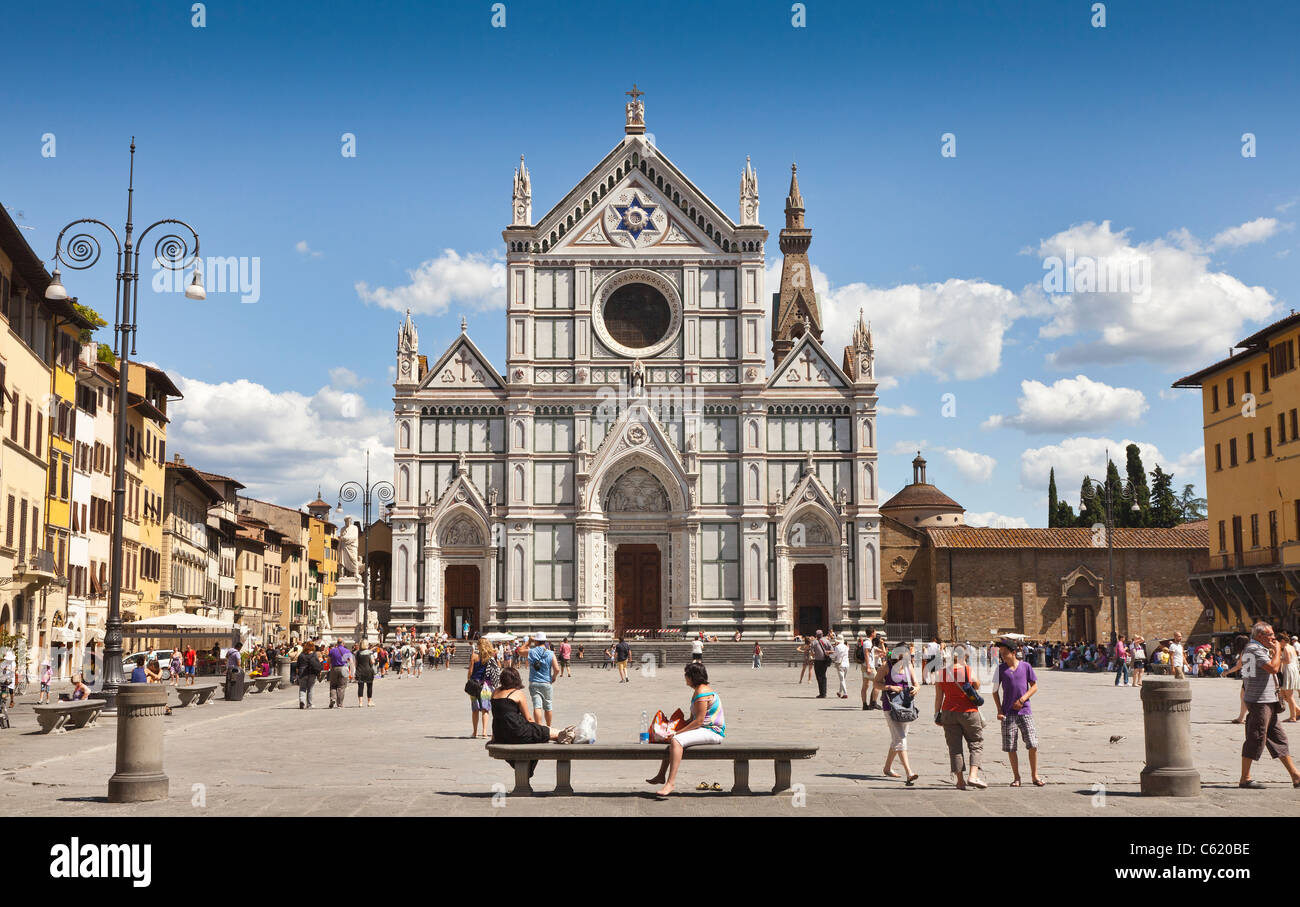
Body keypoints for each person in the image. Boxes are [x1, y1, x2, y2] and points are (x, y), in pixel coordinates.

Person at [647, 663, 725, 798]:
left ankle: (670, 783)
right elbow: (693, 720)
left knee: (676, 740)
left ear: (692, 677)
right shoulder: (700, 690)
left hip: (712, 731)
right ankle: (661, 775)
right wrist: (673, 727)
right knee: (672, 740)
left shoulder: (702, 692)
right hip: (704, 729)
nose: (685, 677)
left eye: (686, 675)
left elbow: (699, 721)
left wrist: (678, 733)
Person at [1238, 622, 1300, 788]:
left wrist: (1273, 652)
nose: (1274, 637)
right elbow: (1273, 668)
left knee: (1279, 739)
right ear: (1260, 636)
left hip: (1264, 699)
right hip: (1260, 701)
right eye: (1270, 634)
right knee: (1256, 737)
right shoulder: (1254, 649)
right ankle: (1245, 778)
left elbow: (1251, 673)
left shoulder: (1253, 648)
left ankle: (1296, 775)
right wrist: (1278, 650)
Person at [992, 638, 1044, 787]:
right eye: (1001, 653)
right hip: (1008, 713)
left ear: (1014, 652)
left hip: (1025, 710)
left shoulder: (1026, 666)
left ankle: (1035, 776)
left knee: (1033, 743)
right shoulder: (1000, 669)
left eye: (1005, 653)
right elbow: (994, 691)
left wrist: (1023, 699)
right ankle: (1017, 777)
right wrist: (999, 709)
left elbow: (1034, 687)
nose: (1003, 656)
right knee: (1010, 746)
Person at [934, 647, 986, 790]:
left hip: (948, 712)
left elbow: (939, 697)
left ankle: (960, 781)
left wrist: (936, 714)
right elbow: (977, 686)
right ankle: (973, 776)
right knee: (976, 742)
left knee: (955, 747)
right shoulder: (968, 670)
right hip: (968, 711)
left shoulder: (941, 673)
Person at [490, 667, 568, 747]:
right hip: (516, 731)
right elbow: (528, 718)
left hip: (500, 733)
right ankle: (567, 734)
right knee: (544, 731)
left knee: (545, 732)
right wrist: (537, 728)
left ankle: (562, 734)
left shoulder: (495, 692)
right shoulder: (517, 693)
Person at [877, 645, 919, 785]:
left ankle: (887, 768)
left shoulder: (909, 666)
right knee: (901, 738)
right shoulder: (886, 666)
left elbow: (916, 684)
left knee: (898, 738)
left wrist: (916, 689)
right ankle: (909, 773)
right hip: (890, 706)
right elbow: (876, 683)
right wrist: (889, 687)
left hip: (905, 706)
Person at [527, 633, 560, 727]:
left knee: (537, 706)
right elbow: (557, 669)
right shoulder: (550, 653)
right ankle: (548, 727)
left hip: (534, 682)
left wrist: (529, 641)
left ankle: (539, 728)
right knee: (548, 706)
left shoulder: (532, 652)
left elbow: (520, 651)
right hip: (546, 682)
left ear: (536, 641)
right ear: (545, 641)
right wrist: (553, 677)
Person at [468, 638, 497, 739]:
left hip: (475, 685)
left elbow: (470, 673)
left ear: (479, 646)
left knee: (475, 709)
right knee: (485, 709)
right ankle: (484, 732)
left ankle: (475, 732)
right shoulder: (491, 657)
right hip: (487, 686)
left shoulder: (474, 656)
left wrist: (470, 682)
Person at [1279, 632, 1300, 722]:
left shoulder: (1286, 648)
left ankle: (1293, 717)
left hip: (1289, 671)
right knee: (1283, 694)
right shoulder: (1291, 647)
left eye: (1279, 642)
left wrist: (1277, 658)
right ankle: (1297, 711)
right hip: (1293, 670)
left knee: (1289, 695)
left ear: (1283, 641)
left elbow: (1287, 661)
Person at [327, 639, 352, 709]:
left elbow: (328, 661)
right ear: (343, 643)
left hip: (334, 668)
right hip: (344, 669)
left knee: (333, 685)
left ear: (337, 643)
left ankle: (333, 698)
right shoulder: (347, 651)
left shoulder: (332, 650)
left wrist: (331, 666)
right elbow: (351, 662)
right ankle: (340, 704)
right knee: (341, 686)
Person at [297, 642, 322, 709]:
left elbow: (297, 666)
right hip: (312, 673)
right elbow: (317, 665)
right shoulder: (314, 655)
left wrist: (298, 674)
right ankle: (309, 704)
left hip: (302, 673)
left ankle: (302, 701)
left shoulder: (301, 655)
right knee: (310, 688)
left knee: (302, 688)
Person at [810, 630, 832, 698]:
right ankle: (824, 693)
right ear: (822, 634)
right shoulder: (826, 641)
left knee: (819, 677)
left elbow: (812, 653)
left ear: (816, 635)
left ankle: (822, 693)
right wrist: (827, 653)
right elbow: (831, 649)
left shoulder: (814, 642)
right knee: (823, 676)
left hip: (818, 661)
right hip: (824, 661)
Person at [354, 642, 376, 707]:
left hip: (360, 670)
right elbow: (372, 662)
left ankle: (360, 702)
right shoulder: (370, 652)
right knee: (369, 686)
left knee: (360, 686)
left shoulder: (357, 653)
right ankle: (369, 701)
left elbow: (356, 663)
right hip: (368, 670)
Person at [832, 634, 850, 699]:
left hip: (840, 664)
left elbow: (834, 655)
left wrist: (829, 655)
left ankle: (845, 693)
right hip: (847, 664)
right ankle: (839, 692)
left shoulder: (837, 647)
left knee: (842, 679)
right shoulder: (846, 647)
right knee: (843, 679)